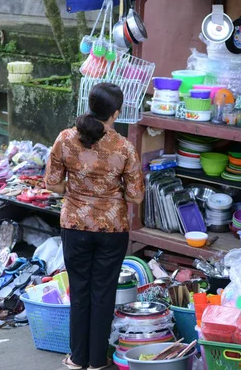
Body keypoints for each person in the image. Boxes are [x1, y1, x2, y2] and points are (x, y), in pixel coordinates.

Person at [45, 83, 144, 370]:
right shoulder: (124, 147)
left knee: (80, 290)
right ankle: (97, 361)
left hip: (74, 224)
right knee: (103, 293)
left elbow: (52, 184)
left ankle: (77, 358)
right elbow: (136, 195)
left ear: (90, 104)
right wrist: (112, 192)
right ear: (116, 112)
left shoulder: (65, 139)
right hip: (112, 229)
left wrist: (77, 192)